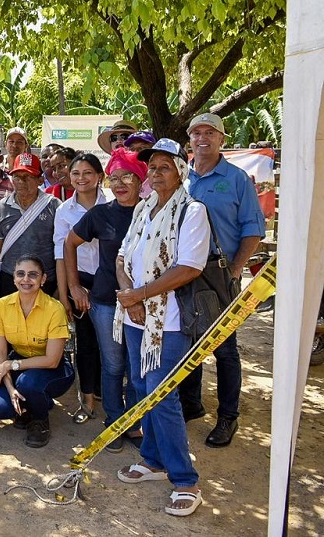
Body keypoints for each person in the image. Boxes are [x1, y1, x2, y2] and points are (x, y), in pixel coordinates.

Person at [114, 137, 209, 518]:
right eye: (151, 167)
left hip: (168, 322)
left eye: (164, 167)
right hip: (136, 316)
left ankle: (185, 480)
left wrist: (139, 294)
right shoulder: (144, 208)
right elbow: (122, 256)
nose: (155, 173)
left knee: (161, 394)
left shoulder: (192, 211)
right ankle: (152, 459)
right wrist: (129, 294)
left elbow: (188, 268)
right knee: (140, 386)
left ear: (180, 170)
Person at [178, 112, 265, 447]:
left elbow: (253, 229)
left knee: (225, 349)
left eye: (210, 133)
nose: (203, 138)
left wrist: (234, 269)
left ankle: (229, 416)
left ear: (222, 140)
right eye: (196, 132)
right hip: (186, 274)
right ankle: (192, 403)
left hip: (221, 274)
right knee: (189, 343)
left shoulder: (237, 178)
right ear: (190, 139)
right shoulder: (182, 177)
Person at [65, 147, 147, 451]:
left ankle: (134, 422)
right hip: (105, 303)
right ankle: (114, 421)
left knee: (137, 369)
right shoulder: (100, 214)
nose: (121, 183)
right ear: (107, 182)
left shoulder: (153, 212)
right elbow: (69, 243)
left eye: (128, 176)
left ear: (141, 180)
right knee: (112, 365)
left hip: (145, 302)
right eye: (115, 177)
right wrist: (74, 286)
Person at [0, 255, 74, 447]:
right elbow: (0, 353)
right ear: (14, 278)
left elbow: (51, 360)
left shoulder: (54, 309)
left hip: (54, 367)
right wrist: (9, 387)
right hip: (19, 362)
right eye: (21, 274)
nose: (26, 279)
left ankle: (39, 420)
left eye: (33, 275)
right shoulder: (2, 305)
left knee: (28, 383)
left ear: (43, 280)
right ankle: (28, 405)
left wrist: (11, 365)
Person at [53, 153, 107, 423]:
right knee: (85, 343)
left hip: (112, 282)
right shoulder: (65, 211)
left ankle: (105, 393)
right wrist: (65, 294)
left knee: (112, 344)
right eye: (76, 173)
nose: (81, 178)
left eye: (88, 173)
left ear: (99, 176)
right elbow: (61, 254)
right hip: (80, 282)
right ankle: (86, 400)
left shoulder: (114, 202)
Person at [0, 153, 60, 297]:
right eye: (17, 176)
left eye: (27, 176)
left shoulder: (53, 205)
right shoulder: (2, 206)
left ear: (40, 180)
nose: (21, 182)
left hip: (44, 279)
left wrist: (61, 287)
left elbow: (61, 248)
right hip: (10, 277)